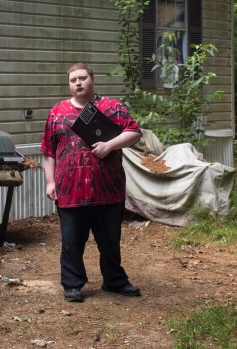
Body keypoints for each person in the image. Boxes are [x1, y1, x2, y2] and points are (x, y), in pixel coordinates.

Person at [41, 63, 142, 303]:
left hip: (108, 189)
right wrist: (49, 182)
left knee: (110, 241)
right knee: (72, 242)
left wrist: (110, 145)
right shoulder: (58, 111)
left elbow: (135, 132)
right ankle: (72, 284)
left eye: (82, 78)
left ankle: (114, 281)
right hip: (70, 190)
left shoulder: (112, 107)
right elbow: (48, 150)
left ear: (92, 79)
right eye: (73, 79)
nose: (78, 83)